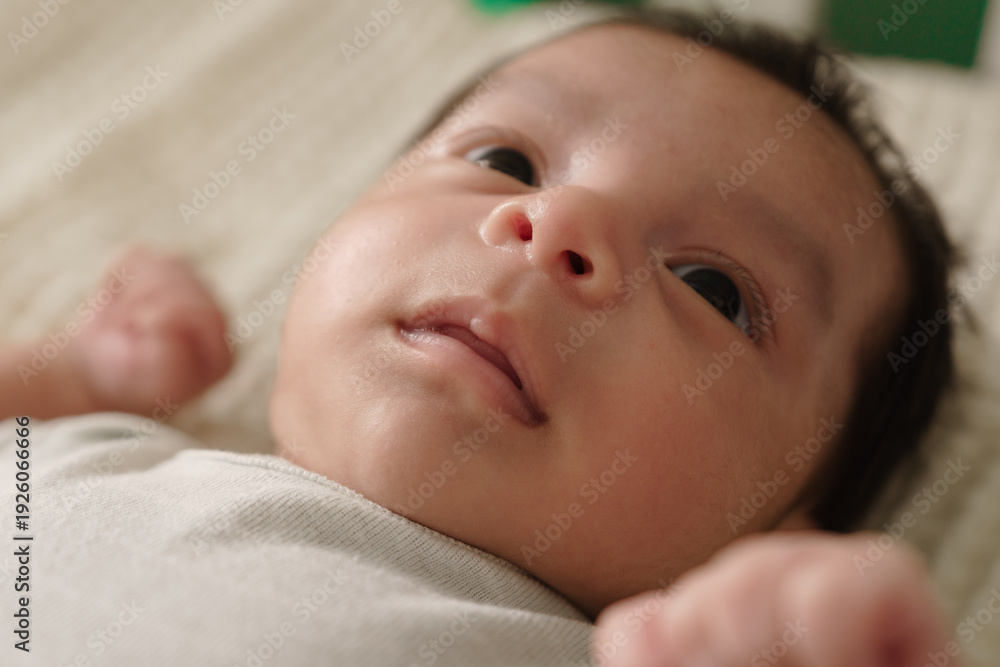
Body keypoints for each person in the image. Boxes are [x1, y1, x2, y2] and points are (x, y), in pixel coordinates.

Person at [0, 9, 961, 666]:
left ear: (786, 529)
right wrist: (79, 377)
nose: (560, 223)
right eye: (506, 159)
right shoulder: (90, 456)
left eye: (713, 288)